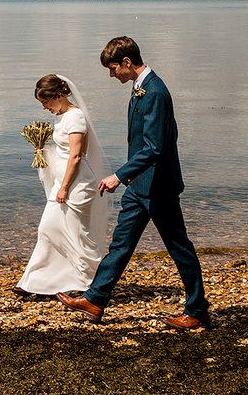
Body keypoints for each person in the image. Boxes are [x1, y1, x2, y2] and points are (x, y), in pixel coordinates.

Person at [57, 36, 211, 330]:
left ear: (127, 62)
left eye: (113, 68)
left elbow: (154, 147)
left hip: (158, 188)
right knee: (121, 245)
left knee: (179, 248)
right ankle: (95, 299)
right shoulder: (140, 88)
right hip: (139, 187)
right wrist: (130, 178)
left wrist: (119, 175)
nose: (111, 74)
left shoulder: (154, 92)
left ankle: (198, 310)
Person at [14, 74, 109, 297]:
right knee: (49, 229)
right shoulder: (62, 117)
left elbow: (76, 156)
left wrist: (64, 187)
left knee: (75, 234)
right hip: (65, 180)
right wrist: (42, 150)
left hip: (77, 184)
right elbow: (64, 151)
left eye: (46, 102)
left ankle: (87, 281)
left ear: (59, 95)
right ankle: (35, 281)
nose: (45, 107)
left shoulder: (75, 117)